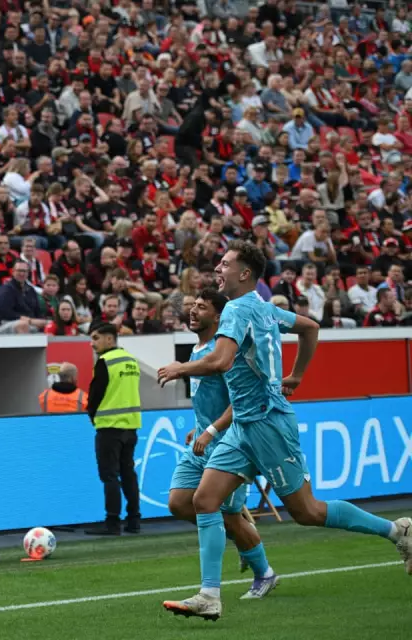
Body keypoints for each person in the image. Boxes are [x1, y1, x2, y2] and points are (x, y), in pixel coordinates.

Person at [158, 240, 412, 621]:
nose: (218, 270)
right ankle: (210, 594)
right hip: (243, 424)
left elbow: (222, 360)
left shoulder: (238, 309)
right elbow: (309, 328)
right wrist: (296, 375)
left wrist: (180, 368)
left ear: (244, 274)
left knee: (307, 511)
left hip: (269, 423)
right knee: (203, 501)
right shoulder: (266, 308)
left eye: (225, 265)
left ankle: (397, 531)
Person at [167, 289, 278, 600]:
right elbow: (209, 398)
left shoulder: (224, 352)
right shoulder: (197, 348)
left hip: (229, 443)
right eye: (191, 306)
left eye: (200, 307)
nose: (192, 311)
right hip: (202, 441)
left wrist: (212, 431)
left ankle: (264, 573)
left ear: (218, 316)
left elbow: (239, 402)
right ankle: (241, 537)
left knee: (227, 515)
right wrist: (197, 428)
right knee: (178, 503)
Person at [85, 321, 142, 536]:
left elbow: (95, 395)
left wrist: (93, 415)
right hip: (131, 426)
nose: (92, 343)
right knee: (128, 473)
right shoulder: (131, 360)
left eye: (96, 338)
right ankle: (134, 520)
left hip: (109, 427)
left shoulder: (105, 361)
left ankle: (112, 522)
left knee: (109, 476)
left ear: (110, 339)